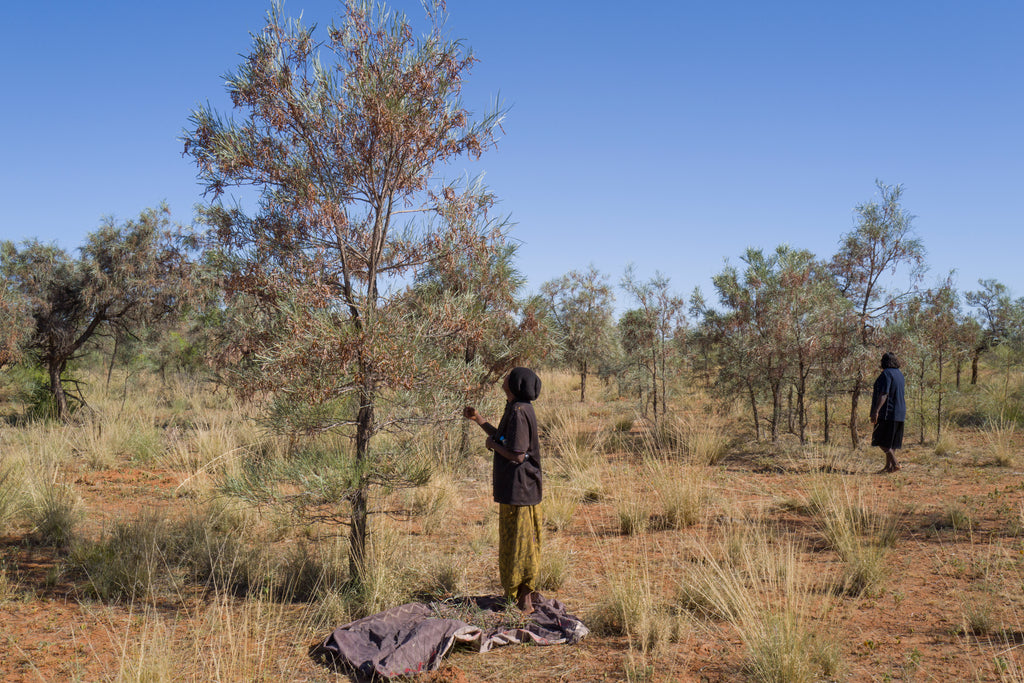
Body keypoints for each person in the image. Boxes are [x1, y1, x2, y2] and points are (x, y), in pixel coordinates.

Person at [463, 367, 543, 613]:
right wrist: (479, 419)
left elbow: (517, 456)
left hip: (520, 491)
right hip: (518, 490)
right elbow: (503, 438)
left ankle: (524, 601)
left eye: (509, 375)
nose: (504, 377)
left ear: (516, 384)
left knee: (521, 546)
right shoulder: (516, 407)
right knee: (518, 544)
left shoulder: (519, 412)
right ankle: (520, 598)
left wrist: (492, 446)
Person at [870, 351, 906, 473]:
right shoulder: (899, 374)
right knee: (891, 442)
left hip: (888, 413)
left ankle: (895, 463)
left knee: (880, 440)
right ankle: (889, 467)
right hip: (900, 412)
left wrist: (876, 411)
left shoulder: (886, 374)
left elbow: (884, 394)